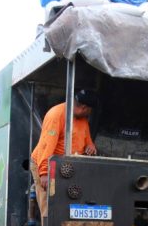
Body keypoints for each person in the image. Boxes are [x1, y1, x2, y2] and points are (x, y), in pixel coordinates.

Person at [30, 89, 98, 219]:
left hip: (67, 167)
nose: (89, 114)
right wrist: (44, 173)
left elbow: (87, 140)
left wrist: (91, 146)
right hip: (48, 164)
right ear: (84, 108)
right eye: (89, 110)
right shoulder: (56, 115)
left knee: (69, 205)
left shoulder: (82, 119)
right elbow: (46, 145)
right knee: (49, 206)